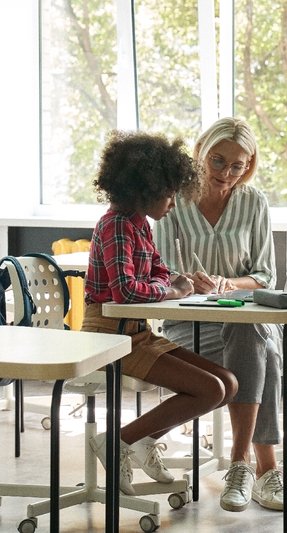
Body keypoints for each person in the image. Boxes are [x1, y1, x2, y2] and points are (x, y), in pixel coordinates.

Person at [81, 129, 238, 496]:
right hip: (109, 337)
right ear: (146, 189)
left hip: (135, 332)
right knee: (210, 389)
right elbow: (128, 289)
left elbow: (159, 271)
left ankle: (139, 441)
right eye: (168, 194)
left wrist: (172, 282)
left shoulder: (139, 225)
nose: (172, 203)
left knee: (227, 384)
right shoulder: (117, 225)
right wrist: (172, 289)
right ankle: (120, 440)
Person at [153, 117, 287, 513]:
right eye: (218, 161)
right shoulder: (172, 199)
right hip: (188, 325)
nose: (226, 174)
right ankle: (262, 470)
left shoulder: (254, 202)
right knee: (267, 356)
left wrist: (230, 284)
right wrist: (188, 282)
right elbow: (161, 270)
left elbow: (265, 274)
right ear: (200, 154)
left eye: (238, 166)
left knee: (253, 338)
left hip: (243, 319)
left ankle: (241, 463)